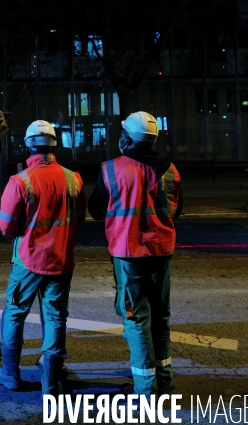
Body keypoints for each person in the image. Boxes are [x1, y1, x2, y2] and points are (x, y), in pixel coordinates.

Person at [87, 111, 182, 399]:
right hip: (161, 251)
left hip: (128, 254)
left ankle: (145, 390)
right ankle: (164, 382)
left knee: (136, 317)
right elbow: (176, 210)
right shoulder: (171, 170)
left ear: (128, 138)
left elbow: (96, 210)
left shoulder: (112, 169)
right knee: (160, 316)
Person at [0, 120, 85, 395]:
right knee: (55, 318)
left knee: (16, 313)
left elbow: (6, 227)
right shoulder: (73, 178)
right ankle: (51, 383)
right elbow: (79, 216)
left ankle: (10, 375)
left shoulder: (21, 180)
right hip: (61, 260)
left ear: (29, 145)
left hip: (29, 260)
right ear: (54, 145)